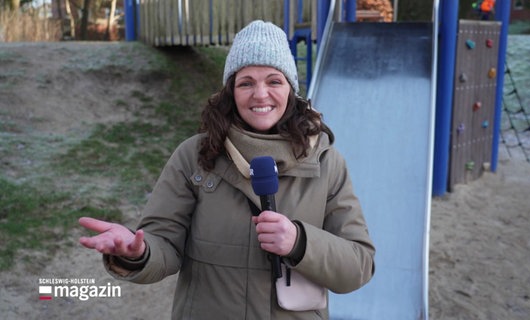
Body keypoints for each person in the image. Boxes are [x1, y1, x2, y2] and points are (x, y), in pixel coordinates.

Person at [78, 20, 375, 320]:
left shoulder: (327, 163)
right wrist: (137, 253)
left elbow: (359, 265)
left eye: (274, 81)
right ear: (231, 91)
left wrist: (300, 242)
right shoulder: (193, 156)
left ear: (291, 90)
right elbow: (164, 246)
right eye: (246, 82)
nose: (260, 94)